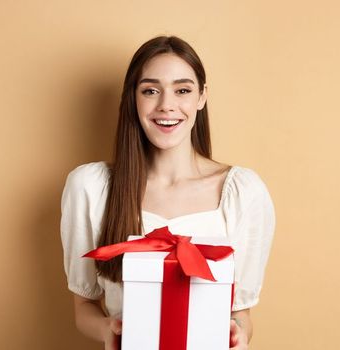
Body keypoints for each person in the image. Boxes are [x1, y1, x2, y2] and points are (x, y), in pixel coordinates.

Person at [60, 35, 275, 350]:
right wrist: (109, 329)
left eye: (183, 90)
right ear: (133, 98)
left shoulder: (244, 192)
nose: (166, 105)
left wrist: (240, 334)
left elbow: (241, 314)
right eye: (150, 91)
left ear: (201, 97)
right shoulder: (90, 188)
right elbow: (83, 309)